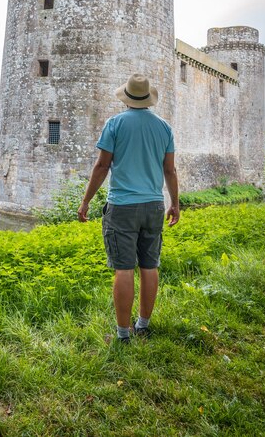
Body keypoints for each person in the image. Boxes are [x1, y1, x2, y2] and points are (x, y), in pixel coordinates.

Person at [78, 73, 180, 342]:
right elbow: (169, 170)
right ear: (148, 99)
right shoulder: (164, 128)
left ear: (126, 97)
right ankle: (143, 324)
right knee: (149, 265)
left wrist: (86, 200)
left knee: (123, 269)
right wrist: (175, 204)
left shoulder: (115, 124)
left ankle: (124, 333)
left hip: (122, 206)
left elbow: (101, 166)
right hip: (154, 206)